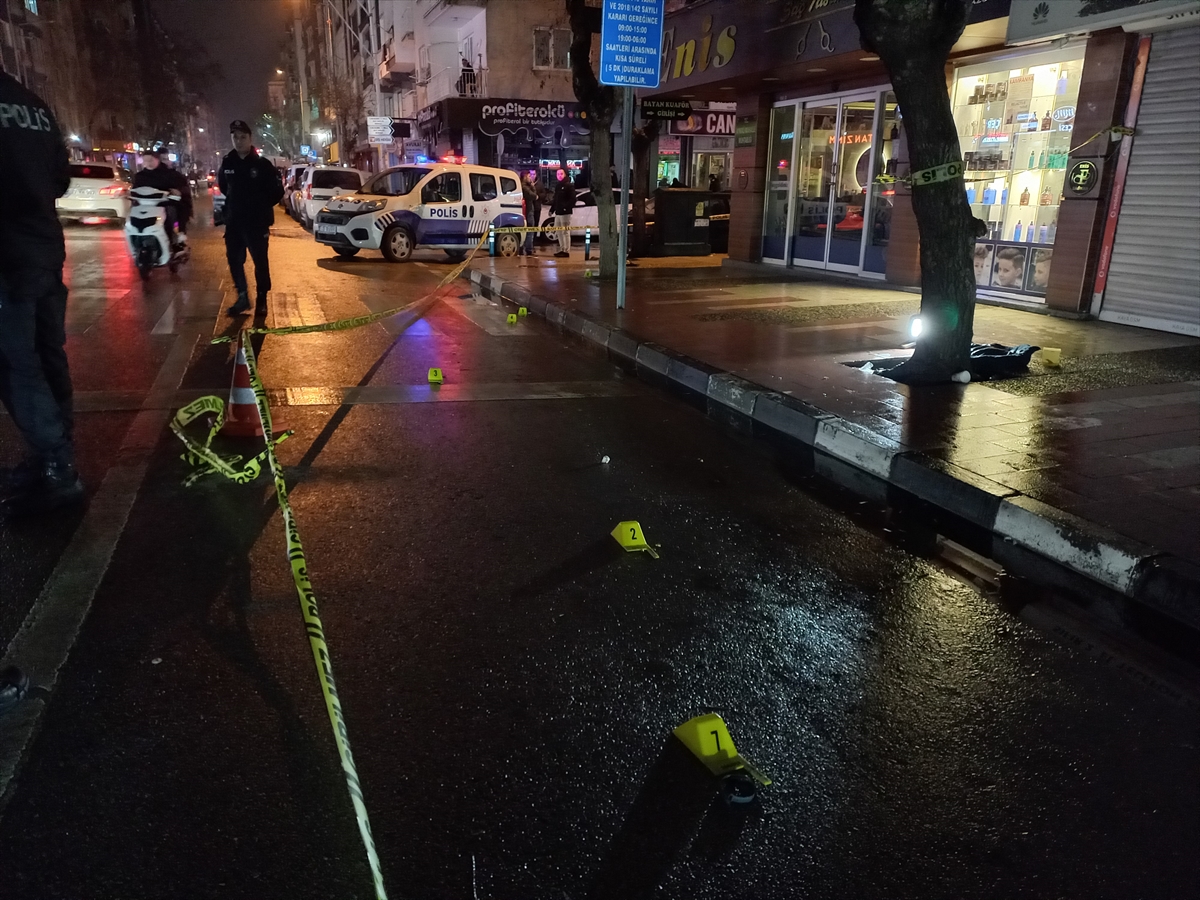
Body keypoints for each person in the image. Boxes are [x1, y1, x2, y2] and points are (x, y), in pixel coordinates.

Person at [0, 67, 82, 516]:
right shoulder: (33, 104)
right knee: (48, 353)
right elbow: (59, 179)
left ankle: (56, 464)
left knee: (16, 362)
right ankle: (54, 451)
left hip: (8, 258)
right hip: (44, 248)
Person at [220, 120, 283, 316]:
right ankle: (242, 296)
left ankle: (262, 298)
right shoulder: (228, 162)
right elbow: (224, 187)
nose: (239, 141)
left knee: (260, 262)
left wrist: (260, 207)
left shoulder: (262, 165)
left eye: (243, 137)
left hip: (256, 224)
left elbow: (277, 191)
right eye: (235, 137)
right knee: (234, 260)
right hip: (234, 222)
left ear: (250, 138)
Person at [133, 147, 191, 247]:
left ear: (157, 160)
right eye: (145, 160)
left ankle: (175, 238)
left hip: (165, 204)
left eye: (151, 160)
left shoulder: (171, 174)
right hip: (145, 206)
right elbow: (135, 190)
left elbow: (182, 189)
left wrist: (176, 192)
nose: (148, 163)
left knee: (171, 212)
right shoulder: (139, 176)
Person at [551, 168, 575, 258]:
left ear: (565, 174)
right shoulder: (558, 186)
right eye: (558, 174)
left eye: (561, 174)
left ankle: (566, 250)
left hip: (565, 213)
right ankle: (562, 248)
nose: (559, 176)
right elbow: (556, 199)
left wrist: (566, 207)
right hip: (558, 212)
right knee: (558, 231)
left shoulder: (569, 185)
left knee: (565, 232)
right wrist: (552, 209)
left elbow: (573, 199)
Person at [520, 171, 540, 256]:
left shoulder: (523, 186)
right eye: (529, 176)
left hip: (527, 210)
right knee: (530, 229)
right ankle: (528, 248)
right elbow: (534, 195)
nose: (530, 178)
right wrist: (532, 185)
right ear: (525, 177)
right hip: (528, 211)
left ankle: (525, 247)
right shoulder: (525, 187)